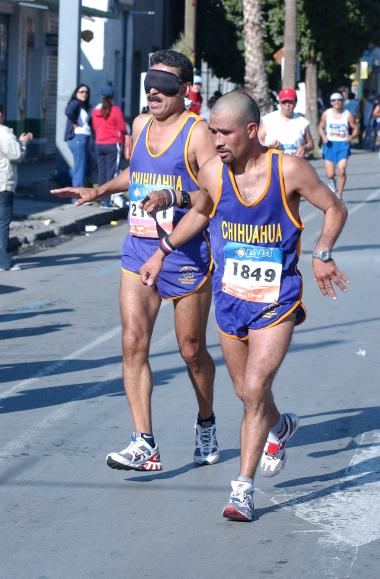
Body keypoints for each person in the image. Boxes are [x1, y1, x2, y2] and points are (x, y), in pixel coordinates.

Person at [139, 90, 349, 522]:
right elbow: (199, 211)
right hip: (230, 299)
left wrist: (322, 252)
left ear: (251, 131)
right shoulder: (216, 173)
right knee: (245, 392)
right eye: (212, 130)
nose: (215, 139)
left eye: (224, 132)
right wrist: (162, 250)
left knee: (254, 389)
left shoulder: (288, 169)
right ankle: (280, 425)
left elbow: (334, 207)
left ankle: (242, 490)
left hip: (277, 300)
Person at [51, 50, 220, 471]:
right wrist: (99, 190)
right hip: (139, 248)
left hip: (185, 255)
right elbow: (135, 173)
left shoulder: (198, 134)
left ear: (184, 90)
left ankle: (206, 420)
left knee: (192, 350)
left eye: (163, 86)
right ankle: (145, 443)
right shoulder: (142, 124)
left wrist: (173, 198)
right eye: (149, 84)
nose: (153, 93)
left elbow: (211, 199)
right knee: (131, 342)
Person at [0, 105, 33, 271]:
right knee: (3, 223)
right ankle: (5, 262)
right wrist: (24, 143)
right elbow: (16, 154)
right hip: (3, 183)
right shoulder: (4, 133)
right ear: (1, 115)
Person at [318, 92, 359, 199]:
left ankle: (339, 194)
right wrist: (323, 137)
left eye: (339, 100)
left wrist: (350, 138)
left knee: (342, 169)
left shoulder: (347, 114)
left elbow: (355, 128)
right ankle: (332, 182)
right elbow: (320, 127)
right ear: (331, 102)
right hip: (330, 144)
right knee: (330, 174)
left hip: (342, 144)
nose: (337, 102)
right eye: (334, 100)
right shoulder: (327, 113)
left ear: (342, 102)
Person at [92, 86, 126, 207]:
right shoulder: (116, 110)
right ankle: (108, 201)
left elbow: (95, 127)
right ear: (112, 98)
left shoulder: (95, 111)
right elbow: (122, 128)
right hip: (112, 144)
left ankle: (102, 199)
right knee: (112, 173)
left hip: (99, 144)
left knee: (102, 172)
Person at [259, 87, 314, 157]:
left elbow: (311, 144)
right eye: (284, 102)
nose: (287, 105)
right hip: (272, 162)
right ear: (280, 103)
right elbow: (257, 142)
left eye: (290, 102)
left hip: (294, 162)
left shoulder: (302, 122)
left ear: (295, 103)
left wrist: (304, 148)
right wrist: (268, 146)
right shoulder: (267, 120)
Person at [64, 84, 91, 196]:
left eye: (86, 92)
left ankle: (62, 176)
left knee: (84, 166)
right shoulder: (75, 103)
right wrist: (75, 123)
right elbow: (68, 111)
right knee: (80, 168)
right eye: (81, 91)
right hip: (78, 138)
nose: (84, 94)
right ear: (76, 93)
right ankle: (77, 196)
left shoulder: (82, 106)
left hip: (83, 138)